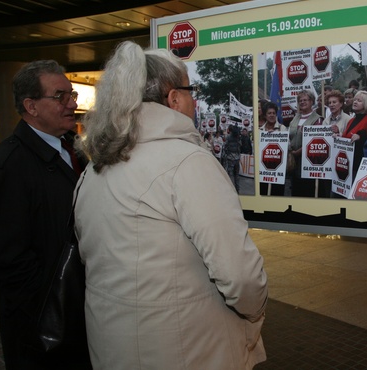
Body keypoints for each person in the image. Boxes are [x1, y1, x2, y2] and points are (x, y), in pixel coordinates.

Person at [74, 41, 268, 369]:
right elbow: (240, 276)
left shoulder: (94, 170)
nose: (196, 99)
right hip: (187, 350)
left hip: (112, 346)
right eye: (191, 89)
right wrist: (255, 311)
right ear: (174, 98)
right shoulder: (188, 164)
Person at [0, 60, 90, 369]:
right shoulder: (7, 166)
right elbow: (4, 260)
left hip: (79, 316)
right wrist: (53, 304)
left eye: (72, 94)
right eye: (60, 96)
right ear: (31, 106)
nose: (71, 104)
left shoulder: (72, 149)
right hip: (43, 330)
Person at [288, 89, 324, 197]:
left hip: (308, 163)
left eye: (305, 100)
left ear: (312, 101)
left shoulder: (317, 120)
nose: (302, 102)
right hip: (293, 162)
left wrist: (299, 152)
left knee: (306, 191)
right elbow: (288, 134)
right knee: (295, 190)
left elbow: (316, 140)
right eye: (300, 100)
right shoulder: (295, 118)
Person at [342, 90, 367, 182]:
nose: (355, 102)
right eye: (355, 100)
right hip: (347, 163)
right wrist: (338, 136)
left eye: (359, 101)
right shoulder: (351, 120)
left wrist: (360, 137)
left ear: (366, 104)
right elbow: (346, 137)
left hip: (358, 164)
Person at [259, 102, 286, 196]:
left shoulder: (282, 129)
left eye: (274, 113)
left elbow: (288, 147)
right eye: (269, 113)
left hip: (278, 172)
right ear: (265, 115)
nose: (272, 115)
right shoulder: (260, 130)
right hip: (263, 172)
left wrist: (275, 137)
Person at [224, 125, 242, 192]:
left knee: (229, 175)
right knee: (236, 175)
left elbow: (225, 146)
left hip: (230, 158)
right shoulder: (238, 138)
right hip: (237, 158)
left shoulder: (228, 137)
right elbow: (240, 146)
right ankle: (237, 190)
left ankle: (229, 189)